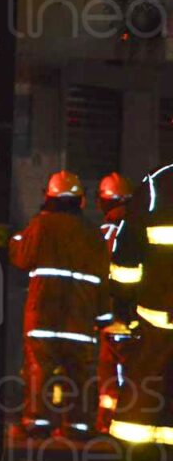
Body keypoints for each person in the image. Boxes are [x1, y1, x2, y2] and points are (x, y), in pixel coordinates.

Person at [9, 170, 108, 438]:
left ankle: (37, 422)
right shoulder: (92, 233)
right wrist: (104, 316)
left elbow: (20, 257)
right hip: (80, 318)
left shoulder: (40, 225)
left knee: (40, 369)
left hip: (43, 317)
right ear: (81, 200)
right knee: (81, 373)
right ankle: (78, 426)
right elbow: (103, 278)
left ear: (49, 196)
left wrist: (16, 237)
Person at [108, 163, 173, 446]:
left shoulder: (158, 184)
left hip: (157, 311)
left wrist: (125, 307)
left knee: (146, 378)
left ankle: (134, 452)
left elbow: (126, 255)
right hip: (157, 309)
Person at [94, 172, 135, 433]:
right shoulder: (138, 229)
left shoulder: (105, 234)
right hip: (138, 314)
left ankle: (108, 420)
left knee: (111, 371)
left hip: (112, 313)